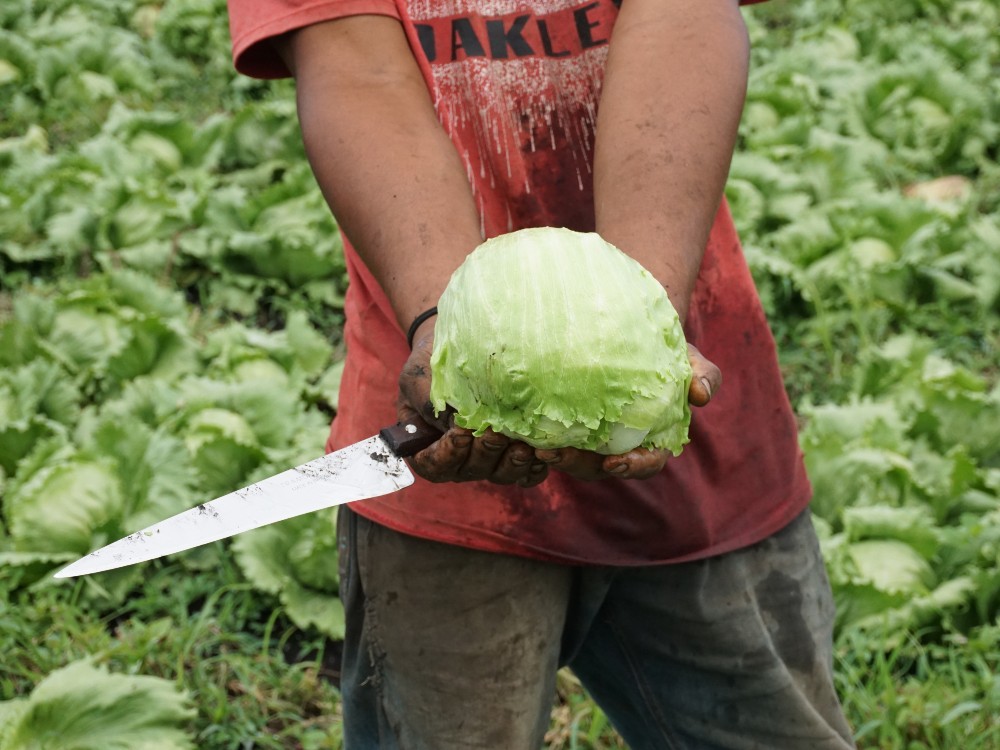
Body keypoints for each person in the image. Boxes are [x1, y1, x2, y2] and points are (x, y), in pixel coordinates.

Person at [227, 0, 857, 747]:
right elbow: (355, 67)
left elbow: (682, 15)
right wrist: (443, 328)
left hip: (689, 389)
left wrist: (637, 326)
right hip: (437, 432)